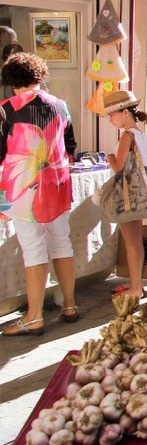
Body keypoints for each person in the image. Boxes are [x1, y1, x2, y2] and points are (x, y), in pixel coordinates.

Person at [0, 52, 78, 336]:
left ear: (11, 81)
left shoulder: (6, 108)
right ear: (39, 75)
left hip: (23, 189)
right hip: (57, 183)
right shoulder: (60, 105)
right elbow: (71, 147)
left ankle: (33, 316)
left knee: (33, 248)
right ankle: (69, 304)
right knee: (61, 242)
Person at [100, 89, 147, 300]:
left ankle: (135, 288)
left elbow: (119, 166)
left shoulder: (126, 137)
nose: (111, 119)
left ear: (124, 112)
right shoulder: (140, 134)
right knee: (136, 241)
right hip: (141, 192)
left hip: (128, 193)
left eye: (112, 115)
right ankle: (136, 283)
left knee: (130, 242)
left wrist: (109, 156)